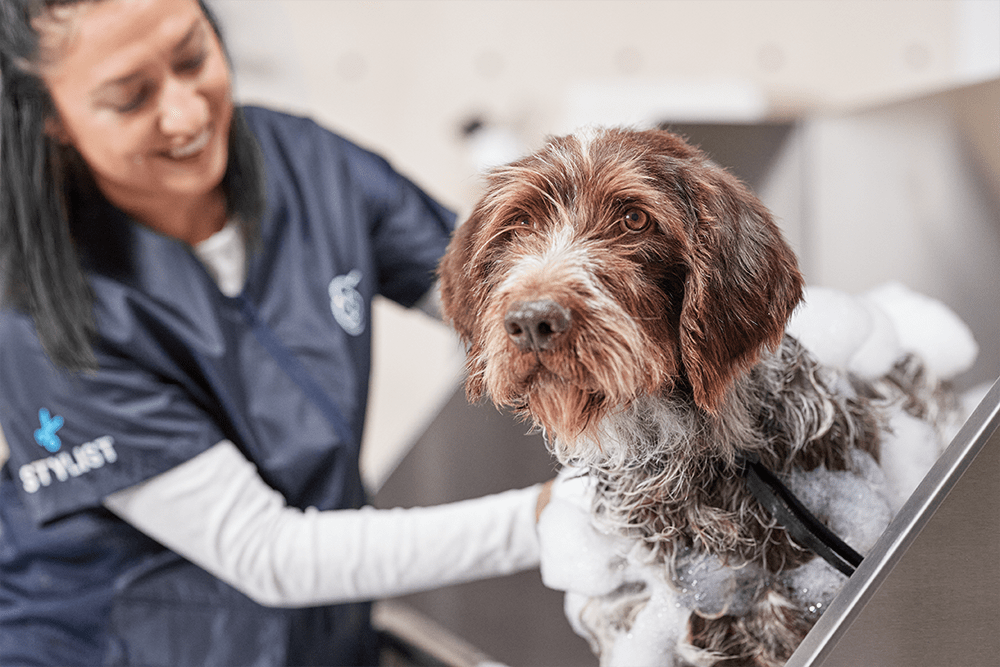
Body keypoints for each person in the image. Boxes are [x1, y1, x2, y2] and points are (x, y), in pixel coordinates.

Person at [0, 1, 550, 665]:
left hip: (321, 634)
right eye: (130, 97)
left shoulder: (311, 167)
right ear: (52, 115)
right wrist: (555, 521)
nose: (189, 114)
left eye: (192, 57)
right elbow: (265, 552)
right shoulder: (42, 315)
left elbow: (501, 307)